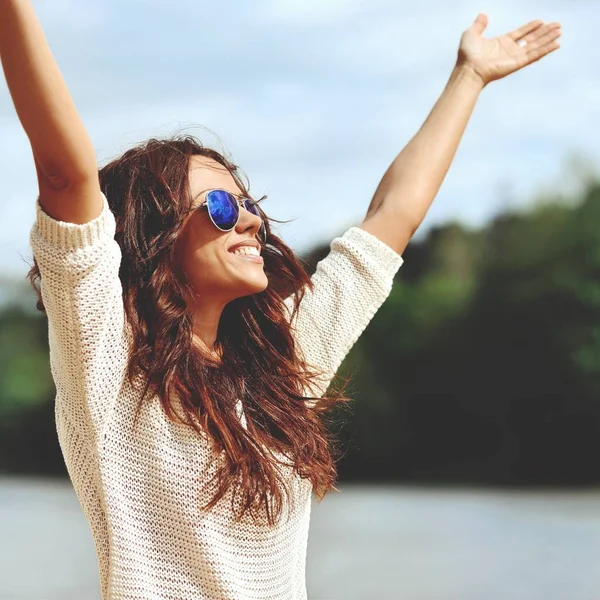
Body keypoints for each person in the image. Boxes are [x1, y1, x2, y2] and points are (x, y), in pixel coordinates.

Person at [0, 2, 561, 598]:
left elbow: (391, 216)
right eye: (219, 207)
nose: (246, 222)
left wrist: (468, 78)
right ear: (153, 239)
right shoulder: (108, 368)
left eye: (249, 206)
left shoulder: (278, 368)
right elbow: (65, 176)